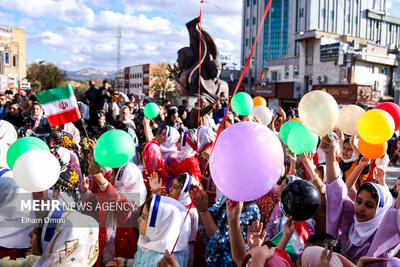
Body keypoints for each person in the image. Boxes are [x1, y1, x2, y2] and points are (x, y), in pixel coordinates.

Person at [322, 135, 400, 264]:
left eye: (369, 205)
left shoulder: (380, 235)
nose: (361, 208)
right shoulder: (349, 222)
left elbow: (393, 216)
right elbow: (335, 193)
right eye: (359, 201)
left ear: (381, 211)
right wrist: (329, 156)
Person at [84, 141, 147, 265]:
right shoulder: (118, 179)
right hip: (105, 236)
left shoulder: (132, 197)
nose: (111, 177)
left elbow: (117, 199)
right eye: (113, 173)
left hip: (121, 241)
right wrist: (97, 159)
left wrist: (99, 177)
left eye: (115, 175)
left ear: (129, 181)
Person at [107, 195, 191, 267]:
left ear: (160, 225)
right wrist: (126, 262)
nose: (139, 220)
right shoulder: (149, 241)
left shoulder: (164, 261)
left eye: (143, 217)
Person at [189, 185, 260, 266]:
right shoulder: (227, 197)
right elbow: (210, 216)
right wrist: (200, 201)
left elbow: (222, 245)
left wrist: (203, 211)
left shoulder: (251, 209)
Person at [150, 172, 198, 267]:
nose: (170, 189)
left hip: (177, 253)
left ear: (185, 192)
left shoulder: (187, 212)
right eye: (172, 186)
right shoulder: (179, 205)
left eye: (175, 187)